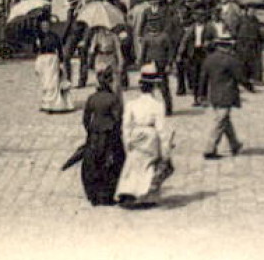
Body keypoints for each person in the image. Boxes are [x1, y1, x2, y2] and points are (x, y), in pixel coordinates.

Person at [116, 64, 174, 209]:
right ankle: (145, 195)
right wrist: (166, 151)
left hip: (136, 135)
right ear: (154, 87)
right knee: (148, 166)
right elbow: (161, 130)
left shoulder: (131, 104)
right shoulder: (157, 105)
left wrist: (127, 141)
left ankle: (128, 191)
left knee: (133, 164)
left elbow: (126, 125)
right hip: (150, 137)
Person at [76, 73, 125, 206]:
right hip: (108, 135)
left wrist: (90, 131)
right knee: (112, 164)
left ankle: (94, 195)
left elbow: (86, 119)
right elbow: (118, 119)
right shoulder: (113, 99)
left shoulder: (92, 98)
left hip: (94, 135)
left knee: (93, 165)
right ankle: (107, 196)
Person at [200, 32, 246, 159]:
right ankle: (210, 149)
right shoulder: (230, 60)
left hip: (214, 95)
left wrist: (201, 95)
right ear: (228, 46)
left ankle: (235, 144)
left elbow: (203, 78)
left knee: (225, 120)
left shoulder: (209, 59)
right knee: (220, 122)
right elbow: (240, 77)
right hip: (227, 95)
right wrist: (250, 87)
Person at [137, 0, 175, 114]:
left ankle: (168, 109)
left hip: (161, 64)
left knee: (164, 87)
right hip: (149, 64)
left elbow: (170, 51)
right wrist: (141, 64)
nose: (153, 25)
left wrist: (169, 64)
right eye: (151, 23)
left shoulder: (164, 37)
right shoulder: (147, 38)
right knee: (148, 87)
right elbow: (143, 52)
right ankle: (150, 108)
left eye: (155, 23)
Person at [34, 16, 75, 114]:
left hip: (52, 60)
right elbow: (35, 51)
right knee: (45, 83)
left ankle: (55, 104)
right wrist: (37, 45)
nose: (45, 27)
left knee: (52, 82)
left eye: (47, 25)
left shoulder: (54, 36)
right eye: (43, 25)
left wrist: (61, 62)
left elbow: (59, 49)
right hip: (43, 60)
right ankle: (45, 103)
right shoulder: (38, 37)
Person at [235, 6, 263, 90]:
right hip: (243, 42)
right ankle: (243, 78)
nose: (252, 12)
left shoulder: (256, 20)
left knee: (253, 61)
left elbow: (258, 32)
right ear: (246, 11)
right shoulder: (241, 19)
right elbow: (236, 29)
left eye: (253, 11)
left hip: (253, 43)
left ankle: (253, 78)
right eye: (250, 11)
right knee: (242, 61)